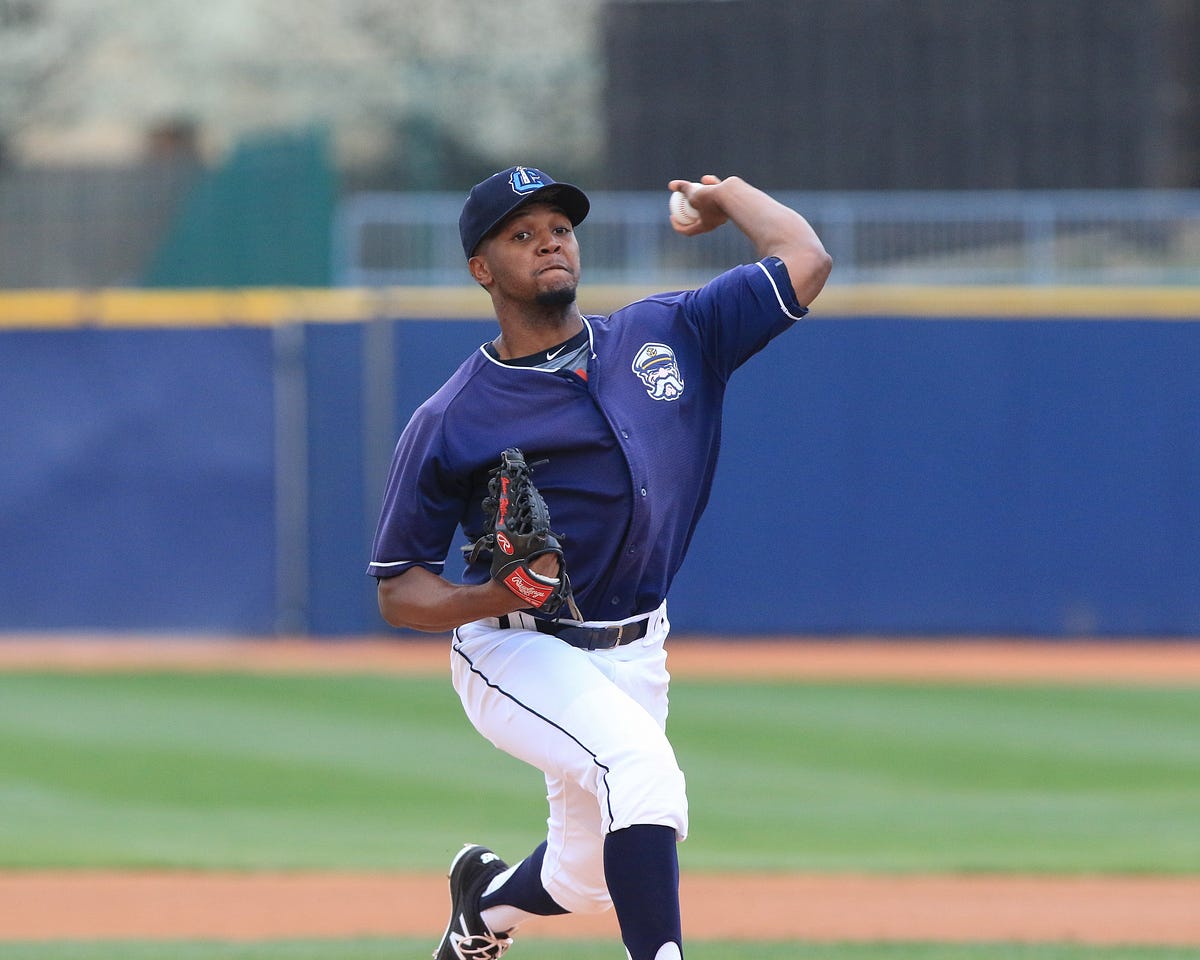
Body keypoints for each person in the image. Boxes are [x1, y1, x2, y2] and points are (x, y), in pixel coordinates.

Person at [367, 165, 831, 960]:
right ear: (482, 270)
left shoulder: (670, 332)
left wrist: (727, 197)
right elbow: (400, 591)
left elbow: (805, 259)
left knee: (586, 878)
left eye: (560, 227)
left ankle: (481, 908)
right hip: (516, 646)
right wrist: (492, 593)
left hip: (636, 647)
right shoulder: (452, 416)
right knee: (640, 768)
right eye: (522, 233)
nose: (549, 240)